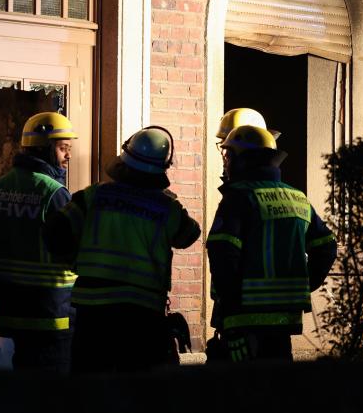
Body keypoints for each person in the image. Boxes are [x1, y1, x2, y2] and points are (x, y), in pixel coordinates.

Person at [44, 126, 200, 373]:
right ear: (163, 167)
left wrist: (71, 261)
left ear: (125, 160)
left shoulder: (93, 196)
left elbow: (55, 230)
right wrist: (167, 200)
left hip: (93, 313)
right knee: (136, 392)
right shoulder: (166, 208)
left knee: (91, 387)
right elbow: (190, 234)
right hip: (143, 315)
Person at [206, 125, 337, 362]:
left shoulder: (238, 197)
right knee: (277, 394)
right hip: (283, 324)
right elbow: (327, 246)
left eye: (229, 155)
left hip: (242, 322)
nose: (226, 162)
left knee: (235, 396)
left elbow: (223, 258)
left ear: (243, 159)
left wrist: (231, 323)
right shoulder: (298, 198)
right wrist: (304, 283)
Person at [0, 111, 78, 372]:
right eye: (63, 148)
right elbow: (75, 250)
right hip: (51, 312)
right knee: (53, 391)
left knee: (25, 376)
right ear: (43, 148)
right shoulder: (54, 193)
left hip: (11, 310)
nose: (68, 156)